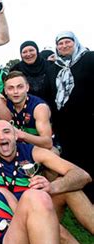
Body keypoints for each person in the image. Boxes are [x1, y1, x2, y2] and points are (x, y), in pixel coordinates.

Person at [0, 119, 94, 244]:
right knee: (58, 231)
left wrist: (52, 186)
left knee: (70, 191)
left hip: (39, 206)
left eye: (6, 132)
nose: (2, 137)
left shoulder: (33, 152)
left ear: (16, 135)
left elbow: (82, 175)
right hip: (11, 219)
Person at [45, 31, 94, 203]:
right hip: (63, 123)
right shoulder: (53, 67)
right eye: (60, 43)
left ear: (75, 43)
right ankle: (77, 192)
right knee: (71, 157)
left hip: (88, 120)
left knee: (90, 154)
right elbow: (49, 92)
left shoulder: (88, 59)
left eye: (68, 42)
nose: (64, 46)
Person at [4, 71, 53, 149]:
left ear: (27, 87)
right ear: (5, 91)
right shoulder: (5, 104)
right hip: (17, 149)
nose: (15, 92)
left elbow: (48, 143)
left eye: (20, 87)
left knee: (53, 152)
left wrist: (22, 135)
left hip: (40, 149)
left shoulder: (39, 108)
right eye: (10, 88)